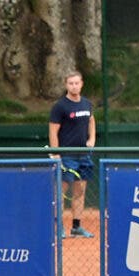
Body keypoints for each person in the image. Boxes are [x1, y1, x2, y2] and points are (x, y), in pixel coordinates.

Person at [48, 70, 96, 238]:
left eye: (77, 83)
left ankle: (76, 227)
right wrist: (56, 154)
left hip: (83, 155)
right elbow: (53, 131)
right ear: (66, 85)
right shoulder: (60, 106)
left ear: (81, 84)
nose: (74, 86)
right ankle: (59, 228)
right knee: (61, 192)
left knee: (80, 191)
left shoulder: (87, 104)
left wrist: (92, 139)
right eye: (71, 83)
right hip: (66, 155)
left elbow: (91, 120)